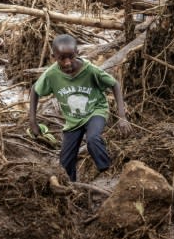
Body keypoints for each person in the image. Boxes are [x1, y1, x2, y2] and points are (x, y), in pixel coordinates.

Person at [28, 34, 132, 182]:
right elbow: (35, 90)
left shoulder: (90, 70)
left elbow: (114, 84)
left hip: (95, 111)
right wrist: (32, 121)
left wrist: (122, 117)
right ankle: (72, 187)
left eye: (71, 57)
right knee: (65, 161)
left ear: (77, 52)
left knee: (93, 139)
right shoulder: (51, 74)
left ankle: (108, 171)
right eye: (61, 58)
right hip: (73, 120)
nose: (67, 63)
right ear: (53, 56)